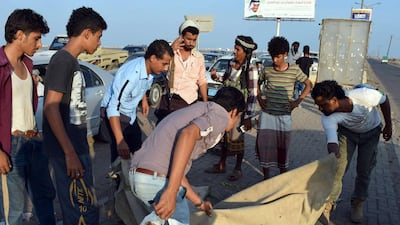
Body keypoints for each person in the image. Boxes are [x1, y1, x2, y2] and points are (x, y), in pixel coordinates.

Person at [130, 86, 246, 225]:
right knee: (178, 219)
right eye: (238, 117)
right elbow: (188, 134)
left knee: (164, 217)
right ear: (233, 112)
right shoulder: (221, 115)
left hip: (139, 177)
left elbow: (177, 173)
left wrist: (199, 203)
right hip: (156, 180)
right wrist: (171, 192)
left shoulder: (200, 109)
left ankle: (153, 221)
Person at [43, 7, 107, 225]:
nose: (99, 43)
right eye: (98, 37)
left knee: (87, 207)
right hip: (68, 152)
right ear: (87, 33)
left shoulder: (72, 62)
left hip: (77, 147)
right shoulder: (62, 60)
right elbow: (50, 107)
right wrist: (69, 153)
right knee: (80, 210)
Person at [0, 9, 56, 225]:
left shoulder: (27, 65)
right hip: (11, 145)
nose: (40, 44)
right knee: (14, 208)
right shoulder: (1, 66)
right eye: (37, 38)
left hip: (33, 140)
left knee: (44, 196)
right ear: (20, 35)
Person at [311, 80, 392, 224]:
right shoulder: (327, 117)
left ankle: (358, 202)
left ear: (334, 100)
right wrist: (334, 156)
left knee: (364, 170)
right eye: (318, 105)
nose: (320, 109)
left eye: (322, 105)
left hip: (371, 133)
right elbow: (332, 141)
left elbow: (384, 99)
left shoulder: (364, 95)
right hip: (347, 134)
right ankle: (329, 204)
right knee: (338, 169)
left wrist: (389, 126)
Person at [101, 39, 174, 165]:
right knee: (120, 158)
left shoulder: (150, 71)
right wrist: (120, 141)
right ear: (152, 58)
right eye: (164, 64)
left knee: (137, 151)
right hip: (116, 116)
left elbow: (142, 86)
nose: (166, 68)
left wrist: (144, 100)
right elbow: (113, 108)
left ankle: (134, 180)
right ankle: (120, 183)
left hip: (131, 115)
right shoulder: (130, 75)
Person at [256, 36, 312, 180]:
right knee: (265, 148)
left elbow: (308, 84)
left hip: (284, 116)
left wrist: (297, 101)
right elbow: (257, 83)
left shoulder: (294, 70)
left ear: (286, 54)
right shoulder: (267, 70)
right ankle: (266, 178)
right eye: (273, 56)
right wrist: (259, 98)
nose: (275, 60)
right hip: (267, 116)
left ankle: (282, 179)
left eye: (278, 57)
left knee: (283, 148)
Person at [204, 35, 258, 181]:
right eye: (235, 48)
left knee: (237, 138)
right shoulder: (231, 63)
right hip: (226, 107)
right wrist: (217, 78)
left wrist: (248, 117)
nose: (234, 51)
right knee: (224, 138)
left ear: (245, 52)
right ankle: (221, 164)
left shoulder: (251, 69)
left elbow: (253, 94)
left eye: (237, 49)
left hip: (239, 111)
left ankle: (238, 168)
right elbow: (226, 80)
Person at [155, 20, 208, 123]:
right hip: (170, 100)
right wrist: (171, 50)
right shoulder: (171, 53)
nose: (191, 43)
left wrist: (205, 102)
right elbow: (159, 64)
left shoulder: (199, 57)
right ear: (181, 37)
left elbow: (202, 81)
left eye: (194, 40)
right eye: (189, 39)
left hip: (189, 102)